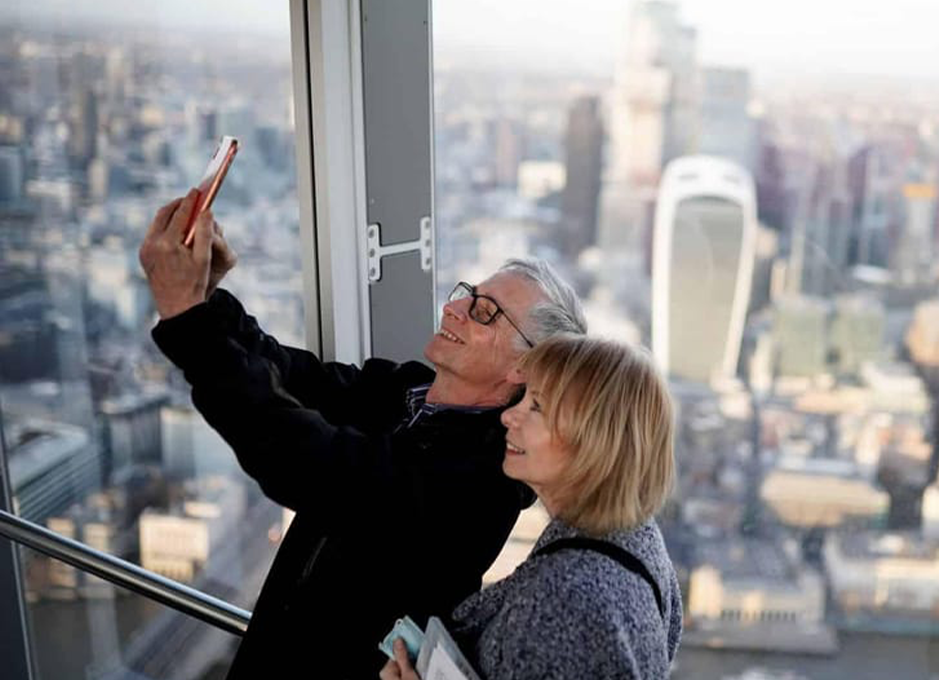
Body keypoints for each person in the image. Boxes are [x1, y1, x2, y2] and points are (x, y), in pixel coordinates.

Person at [137, 189, 587, 678]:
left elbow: (310, 463)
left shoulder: (481, 482)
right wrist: (205, 297)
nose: (455, 309)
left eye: (485, 313)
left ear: (525, 365)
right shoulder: (409, 391)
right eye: (468, 295)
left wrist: (186, 319)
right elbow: (288, 375)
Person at [380, 335, 682, 680]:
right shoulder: (638, 541)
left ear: (594, 439)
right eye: (521, 399)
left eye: (536, 406)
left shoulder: (563, 600)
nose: (509, 416)